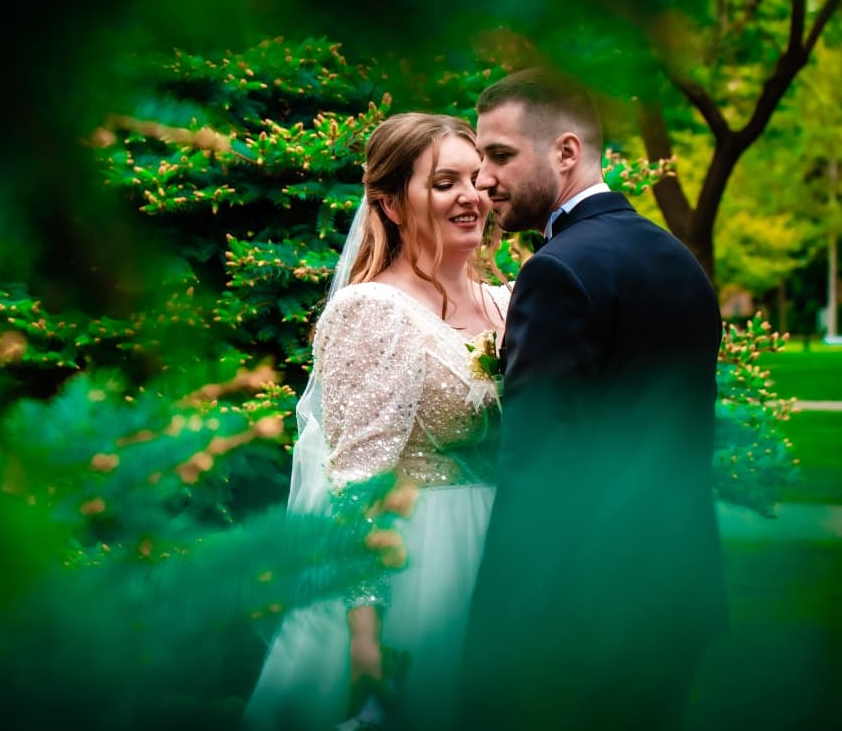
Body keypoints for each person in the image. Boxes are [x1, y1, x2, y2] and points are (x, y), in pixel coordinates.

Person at [459, 67, 728, 731]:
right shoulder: (675, 258)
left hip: (583, 614)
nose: (483, 179)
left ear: (566, 152)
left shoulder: (557, 270)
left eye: (500, 155)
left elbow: (537, 468)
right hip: (679, 594)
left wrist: (494, 634)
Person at [243, 112, 511, 730]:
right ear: (390, 205)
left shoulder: (511, 300)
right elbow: (357, 482)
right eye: (444, 183)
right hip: (417, 558)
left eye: (475, 178)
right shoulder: (371, 312)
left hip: (501, 552)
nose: (471, 196)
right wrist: (365, 632)